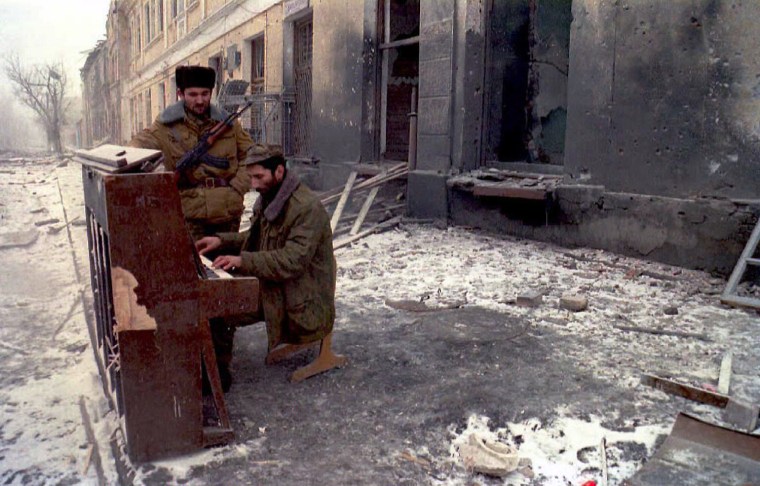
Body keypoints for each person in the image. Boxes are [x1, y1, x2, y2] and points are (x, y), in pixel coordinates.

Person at [195, 145, 343, 385]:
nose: (253, 184)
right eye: (250, 177)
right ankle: (210, 372)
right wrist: (222, 241)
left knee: (222, 307)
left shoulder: (306, 208)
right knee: (216, 300)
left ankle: (216, 380)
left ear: (279, 171)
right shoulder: (269, 198)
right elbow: (257, 238)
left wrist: (243, 260)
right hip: (283, 287)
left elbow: (292, 260)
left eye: (259, 177)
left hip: (304, 301)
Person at [129, 65, 252, 240]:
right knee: (192, 266)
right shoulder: (165, 126)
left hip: (227, 212)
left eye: (205, 94)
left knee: (226, 265)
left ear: (211, 93)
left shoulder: (228, 124)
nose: (200, 100)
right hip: (189, 215)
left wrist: (238, 188)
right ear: (180, 94)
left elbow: (252, 155)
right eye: (193, 95)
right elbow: (138, 144)